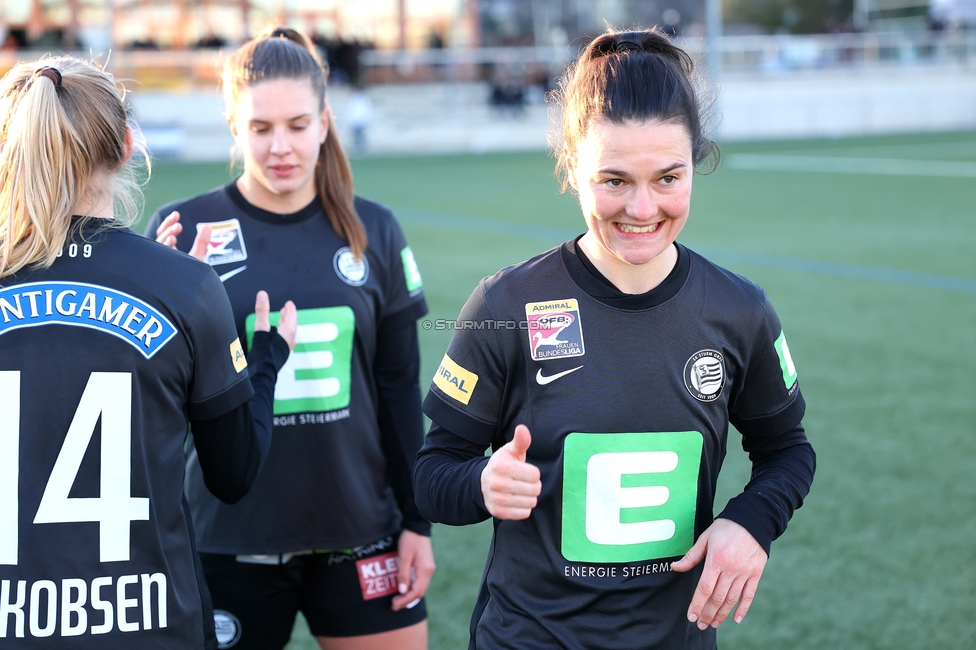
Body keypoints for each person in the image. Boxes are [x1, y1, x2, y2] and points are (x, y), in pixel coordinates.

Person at [413, 28, 816, 650]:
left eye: (668, 178)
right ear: (572, 165)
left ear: (696, 164)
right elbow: (432, 473)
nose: (642, 208)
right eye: (614, 180)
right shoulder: (505, 305)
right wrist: (481, 484)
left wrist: (751, 522)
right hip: (530, 637)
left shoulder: (739, 311)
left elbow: (788, 448)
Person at [146, 26, 434, 650]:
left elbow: (397, 385)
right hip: (226, 536)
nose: (281, 146)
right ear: (232, 125)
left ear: (326, 122)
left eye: (298, 125)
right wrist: (163, 291)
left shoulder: (373, 230)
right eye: (261, 128)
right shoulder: (184, 228)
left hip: (361, 529)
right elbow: (156, 402)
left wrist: (418, 522)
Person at [0, 56, 295, 648]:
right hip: (154, 626)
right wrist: (266, 358)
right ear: (129, 145)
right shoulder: (185, 286)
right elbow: (233, 473)